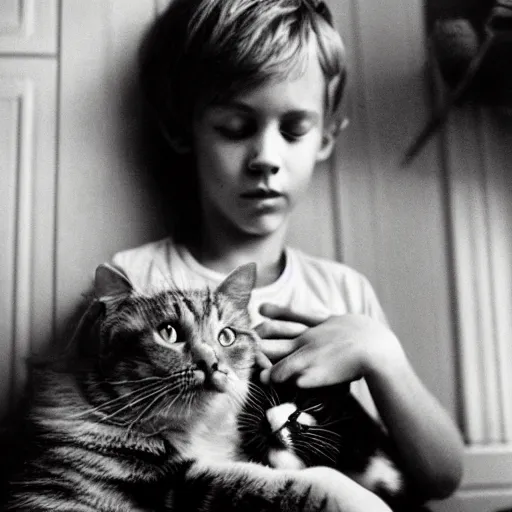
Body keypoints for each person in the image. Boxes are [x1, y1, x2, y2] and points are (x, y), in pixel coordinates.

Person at [111, 0, 464, 506]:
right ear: (181, 129)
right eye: (235, 128)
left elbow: (442, 478)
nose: (266, 160)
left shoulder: (342, 291)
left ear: (326, 137)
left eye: (294, 130)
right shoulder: (137, 280)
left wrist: (382, 355)